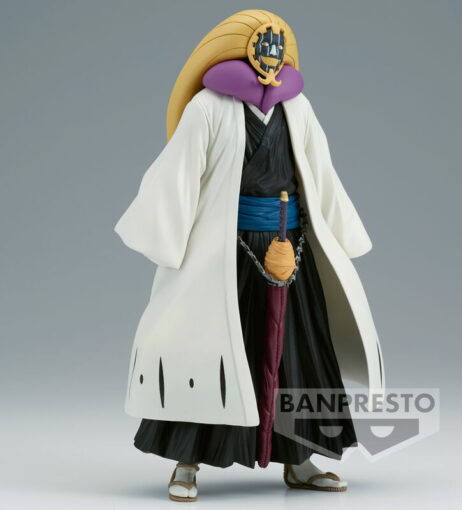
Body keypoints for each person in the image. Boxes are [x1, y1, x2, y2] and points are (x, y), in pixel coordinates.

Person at [114, 9, 384, 503]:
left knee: (297, 352)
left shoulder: (297, 107)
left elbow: (320, 172)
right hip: (228, 250)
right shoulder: (209, 107)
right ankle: (187, 460)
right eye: (261, 51)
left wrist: (340, 231)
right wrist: (167, 236)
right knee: (207, 351)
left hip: (291, 247)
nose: (269, 62)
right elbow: (179, 175)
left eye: (276, 52)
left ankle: (301, 458)